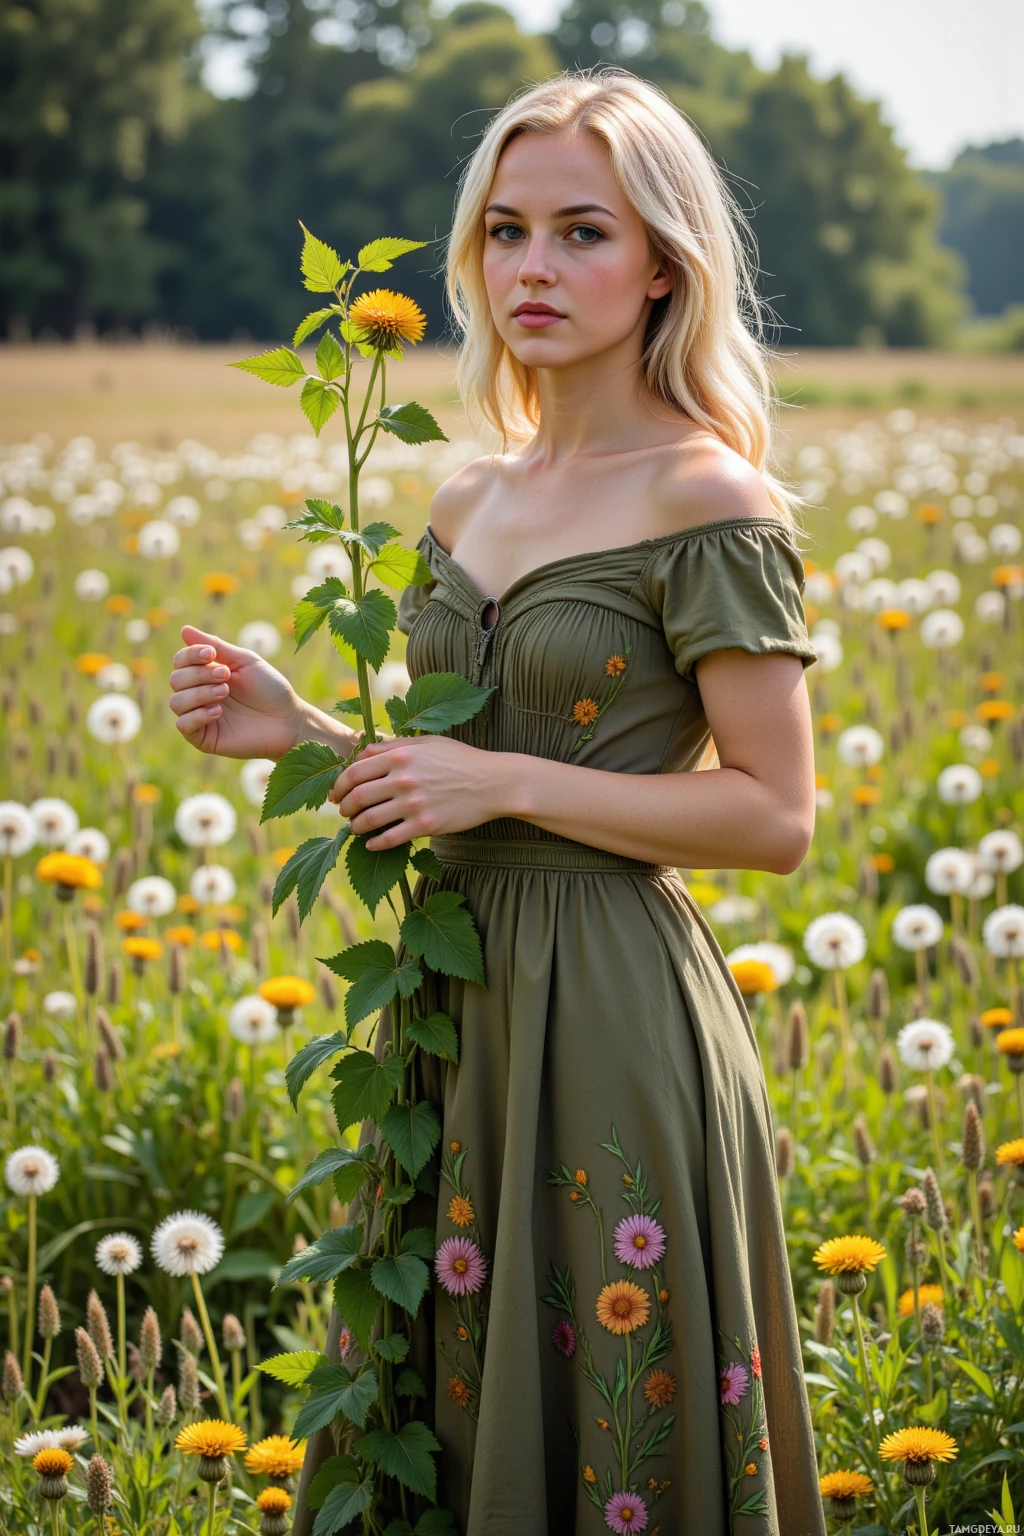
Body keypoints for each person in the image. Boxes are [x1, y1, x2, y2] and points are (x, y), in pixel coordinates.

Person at [169, 67, 825, 1536]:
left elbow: (777, 818)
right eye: (506, 232)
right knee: (427, 1397)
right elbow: (446, 781)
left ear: (664, 262)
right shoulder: (467, 497)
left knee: (612, 1401)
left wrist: (512, 779)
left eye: (583, 232)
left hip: (609, 1010)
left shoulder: (711, 498)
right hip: (447, 998)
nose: (535, 268)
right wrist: (304, 733)